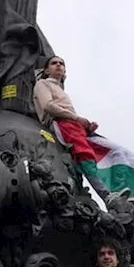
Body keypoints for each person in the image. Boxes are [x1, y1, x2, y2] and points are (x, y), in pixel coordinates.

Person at [33, 56, 110, 200]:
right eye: (54, 63)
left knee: (85, 156)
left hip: (73, 126)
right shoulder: (42, 84)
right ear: (46, 70)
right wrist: (77, 118)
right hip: (61, 124)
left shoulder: (62, 91)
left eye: (61, 63)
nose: (58, 65)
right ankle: (106, 195)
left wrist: (86, 125)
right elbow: (48, 106)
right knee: (83, 153)